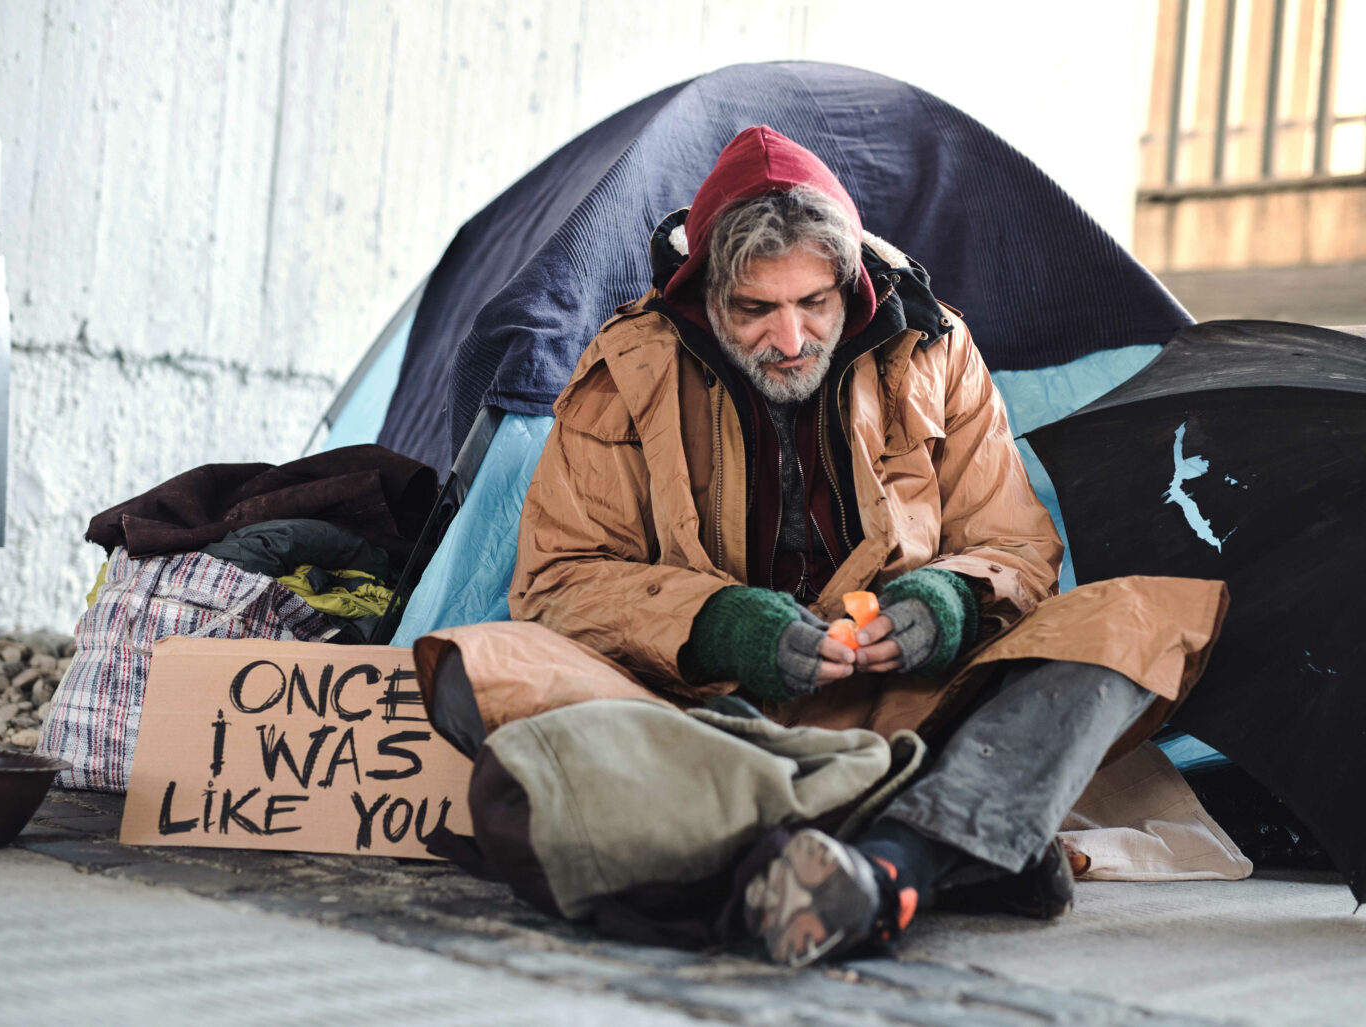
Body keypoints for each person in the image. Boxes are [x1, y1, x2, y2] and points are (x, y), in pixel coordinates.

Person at [476, 125, 1226, 966]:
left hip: (916, 698)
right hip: (717, 712)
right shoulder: (626, 371)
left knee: (1133, 616)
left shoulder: (935, 349)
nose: (790, 339)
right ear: (704, 294)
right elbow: (556, 581)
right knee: (490, 672)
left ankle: (883, 863)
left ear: (850, 284)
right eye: (755, 309)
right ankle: (947, 850)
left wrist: (945, 603)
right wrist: (719, 621)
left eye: (814, 305)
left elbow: (1013, 547)